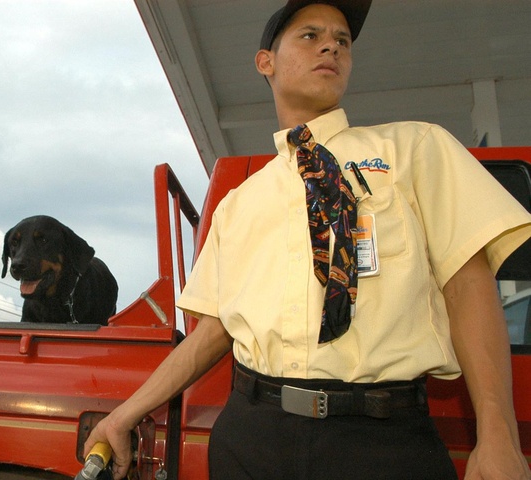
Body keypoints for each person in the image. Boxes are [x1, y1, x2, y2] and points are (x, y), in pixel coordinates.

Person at [83, 1, 531, 479]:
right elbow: (213, 333)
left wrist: (498, 432)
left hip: (383, 442)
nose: (330, 46)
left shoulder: (416, 149)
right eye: (310, 35)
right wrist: (123, 414)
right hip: (251, 437)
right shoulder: (239, 203)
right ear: (266, 62)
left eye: (342, 40)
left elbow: (468, 284)